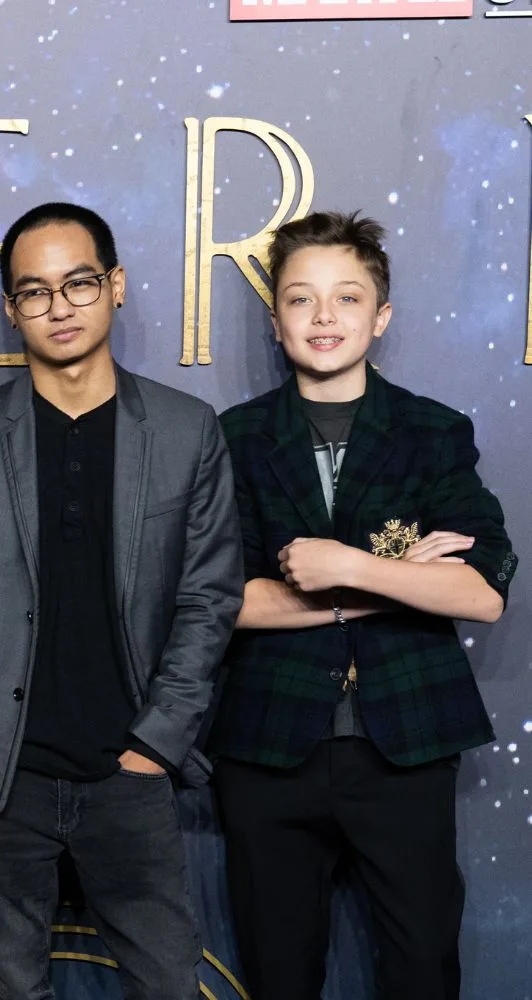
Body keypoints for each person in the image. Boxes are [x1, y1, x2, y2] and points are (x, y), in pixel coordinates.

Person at [0, 202, 244, 999]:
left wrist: (155, 745)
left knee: (168, 982)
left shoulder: (186, 430)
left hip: (130, 769)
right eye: (34, 291)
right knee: (10, 986)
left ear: (116, 286)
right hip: (2, 778)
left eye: (79, 283)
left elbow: (208, 599)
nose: (58, 307)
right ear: (11, 307)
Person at [210, 211, 517, 1000]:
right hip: (269, 747)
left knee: (423, 969)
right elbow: (223, 600)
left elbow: (480, 592)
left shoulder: (432, 432)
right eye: (301, 300)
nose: (323, 318)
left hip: (405, 747)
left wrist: (343, 565)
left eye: (347, 299)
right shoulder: (234, 438)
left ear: (380, 318)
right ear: (275, 317)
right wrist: (391, 580)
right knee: (279, 974)